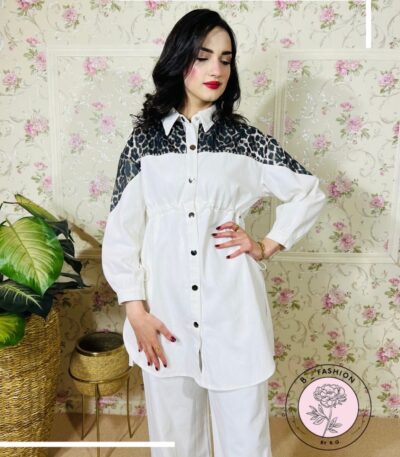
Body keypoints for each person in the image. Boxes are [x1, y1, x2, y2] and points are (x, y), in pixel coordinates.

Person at [101, 8, 327, 457]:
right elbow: (122, 233)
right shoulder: (145, 142)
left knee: (245, 440)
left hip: (233, 312)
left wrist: (265, 245)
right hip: (164, 316)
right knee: (175, 442)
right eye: (203, 57)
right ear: (179, 59)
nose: (216, 70)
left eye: (226, 59)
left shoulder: (245, 140)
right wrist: (135, 310)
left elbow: (309, 191)